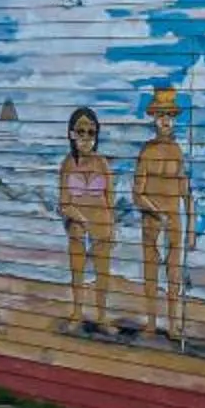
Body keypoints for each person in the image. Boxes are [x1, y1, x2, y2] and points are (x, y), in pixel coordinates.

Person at [131, 86, 192, 340]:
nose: (165, 120)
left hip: (174, 219)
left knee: (174, 273)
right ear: (154, 118)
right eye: (160, 115)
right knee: (151, 270)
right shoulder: (147, 151)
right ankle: (152, 322)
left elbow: (186, 191)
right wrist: (157, 213)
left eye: (169, 115)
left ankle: (173, 324)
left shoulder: (177, 151)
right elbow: (137, 194)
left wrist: (191, 227)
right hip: (152, 219)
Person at [57, 106, 117, 332]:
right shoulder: (68, 164)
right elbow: (64, 203)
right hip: (78, 224)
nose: (86, 138)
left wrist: (112, 227)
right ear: (71, 134)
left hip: (102, 223)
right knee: (77, 271)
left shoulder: (102, 163)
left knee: (103, 272)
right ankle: (77, 313)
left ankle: (102, 317)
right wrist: (82, 220)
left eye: (91, 132)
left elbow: (110, 199)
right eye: (80, 132)